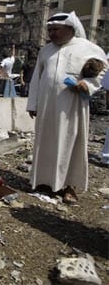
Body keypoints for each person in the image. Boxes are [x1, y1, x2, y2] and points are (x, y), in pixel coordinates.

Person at [26, 11, 108, 203]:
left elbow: (103, 70)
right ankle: (45, 182)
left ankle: (69, 186)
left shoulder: (88, 48)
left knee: (70, 143)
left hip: (72, 104)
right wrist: (33, 104)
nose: (52, 34)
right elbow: (37, 79)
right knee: (45, 142)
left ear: (70, 28)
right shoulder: (46, 50)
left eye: (56, 30)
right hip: (47, 105)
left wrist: (87, 84)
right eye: (50, 30)